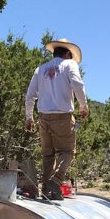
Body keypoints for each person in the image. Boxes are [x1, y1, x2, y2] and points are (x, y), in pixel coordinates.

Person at [24, 38, 88, 200]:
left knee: (48, 155)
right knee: (67, 152)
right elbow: (77, 84)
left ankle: (46, 189)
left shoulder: (41, 69)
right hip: (63, 116)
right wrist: (83, 106)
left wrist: (29, 117)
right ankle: (56, 180)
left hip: (43, 118)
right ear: (67, 53)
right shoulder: (70, 64)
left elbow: (30, 95)